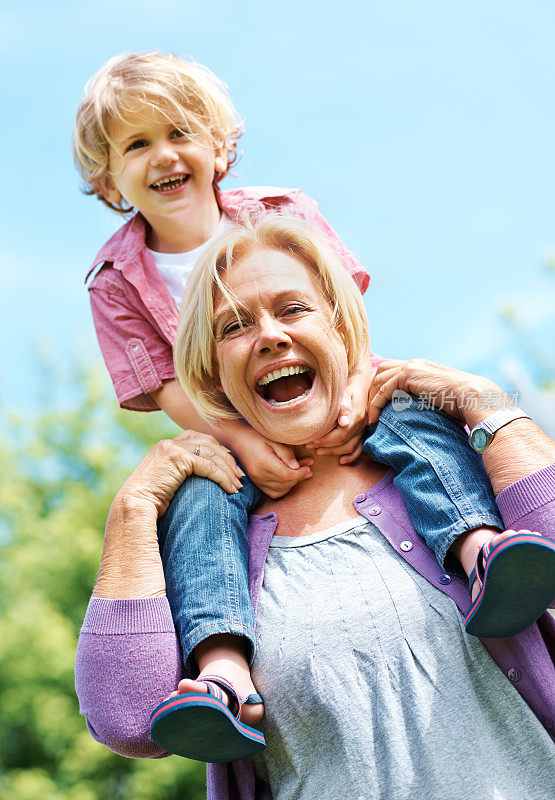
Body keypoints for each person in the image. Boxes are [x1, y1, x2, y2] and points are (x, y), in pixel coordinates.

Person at [74, 53, 554, 763]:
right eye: (136, 144)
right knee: (202, 507)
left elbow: (345, 308)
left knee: (412, 421)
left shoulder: (279, 212)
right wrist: (239, 441)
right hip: (229, 434)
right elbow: (168, 387)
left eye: (177, 132)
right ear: (108, 176)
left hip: (353, 385)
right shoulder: (116, 281)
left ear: (217, 145)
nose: (163, 155)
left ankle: (480, 550)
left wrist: (364, 386)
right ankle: (223, 671)